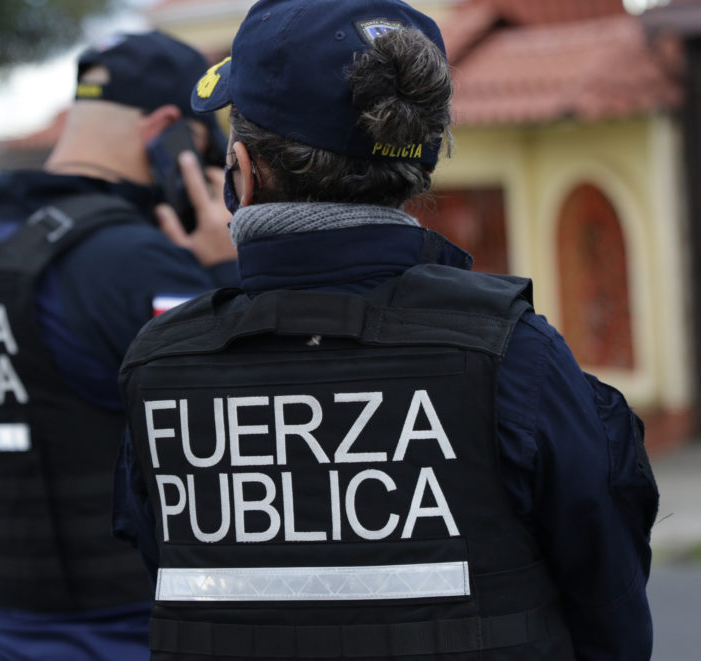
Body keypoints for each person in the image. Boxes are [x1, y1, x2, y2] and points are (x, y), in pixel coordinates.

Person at [112, 2, 660, 659]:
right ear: (415, 166)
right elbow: (613, 612)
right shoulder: (517, 355)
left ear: (244, 170)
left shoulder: (159, 368)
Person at [0, 31, 237, 661]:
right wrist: (226, 271)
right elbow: (245, 417)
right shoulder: (133, 261)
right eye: (203, 145)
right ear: (166, 130)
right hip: (123, 630)